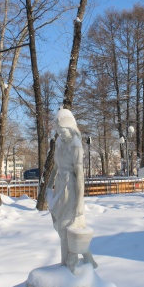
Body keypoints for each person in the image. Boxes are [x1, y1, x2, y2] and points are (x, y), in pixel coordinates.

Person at [46, 108, 97, 273]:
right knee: (61, 225)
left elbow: (80, 175)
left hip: (71, 188)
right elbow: (55, 166)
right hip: (60, 187)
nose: (61, 134)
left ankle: (68, 264)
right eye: (58, 131)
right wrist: (49, 185)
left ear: (71, 127)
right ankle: (86, 258)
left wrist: (80, 203)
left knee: (66, 227)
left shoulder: (76, 145)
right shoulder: (60, 142)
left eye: (63, 131)